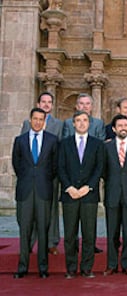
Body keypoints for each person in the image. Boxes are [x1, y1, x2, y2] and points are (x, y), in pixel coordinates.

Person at [12, 108, 58, 279]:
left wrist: (42, 179)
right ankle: (22, 267)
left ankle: (43, 268)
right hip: (25, 192)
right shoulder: (20, 140)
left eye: (41, 119)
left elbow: (54, 166)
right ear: (30, 120)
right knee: (24, 231)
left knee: (43, 230)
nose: (38, 122)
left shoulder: (52, 140)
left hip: (43, 191)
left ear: (44, 121)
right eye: (35, 119)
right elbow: (17, 164)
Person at [59, 111, 104, 279]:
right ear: (73, 123)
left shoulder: (97, 144)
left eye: (85, 120)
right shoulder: (64, 144)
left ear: (89, 123)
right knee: (70, 234)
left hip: (89, 195)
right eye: (78, 120)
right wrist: (69, 187)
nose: (82, 123)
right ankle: (70, 268)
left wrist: (89, 187)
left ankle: (87, 268)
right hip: (69, 195)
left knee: (89, 234)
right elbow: (60, 167)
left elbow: (99, 168)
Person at [20, 91, 63, 256]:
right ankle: (29, 242)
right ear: (38, 104)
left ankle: (51, 242)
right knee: (29, 211)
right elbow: (21, 148)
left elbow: (58, 151)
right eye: (43, 102)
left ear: (52, 106)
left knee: (50, 210)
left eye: (49, 102)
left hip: (50, 176)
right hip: (30, 176)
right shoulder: (27, 123)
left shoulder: (58, 125)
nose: (46, 104)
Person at [102, 114, 127, 276]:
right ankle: (111, 264)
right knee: (112, 232)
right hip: (112, 194)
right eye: (120, 125)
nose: (123, 128)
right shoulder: (106, 147)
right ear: (114, 129)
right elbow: (103, 171)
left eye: (126, 125)